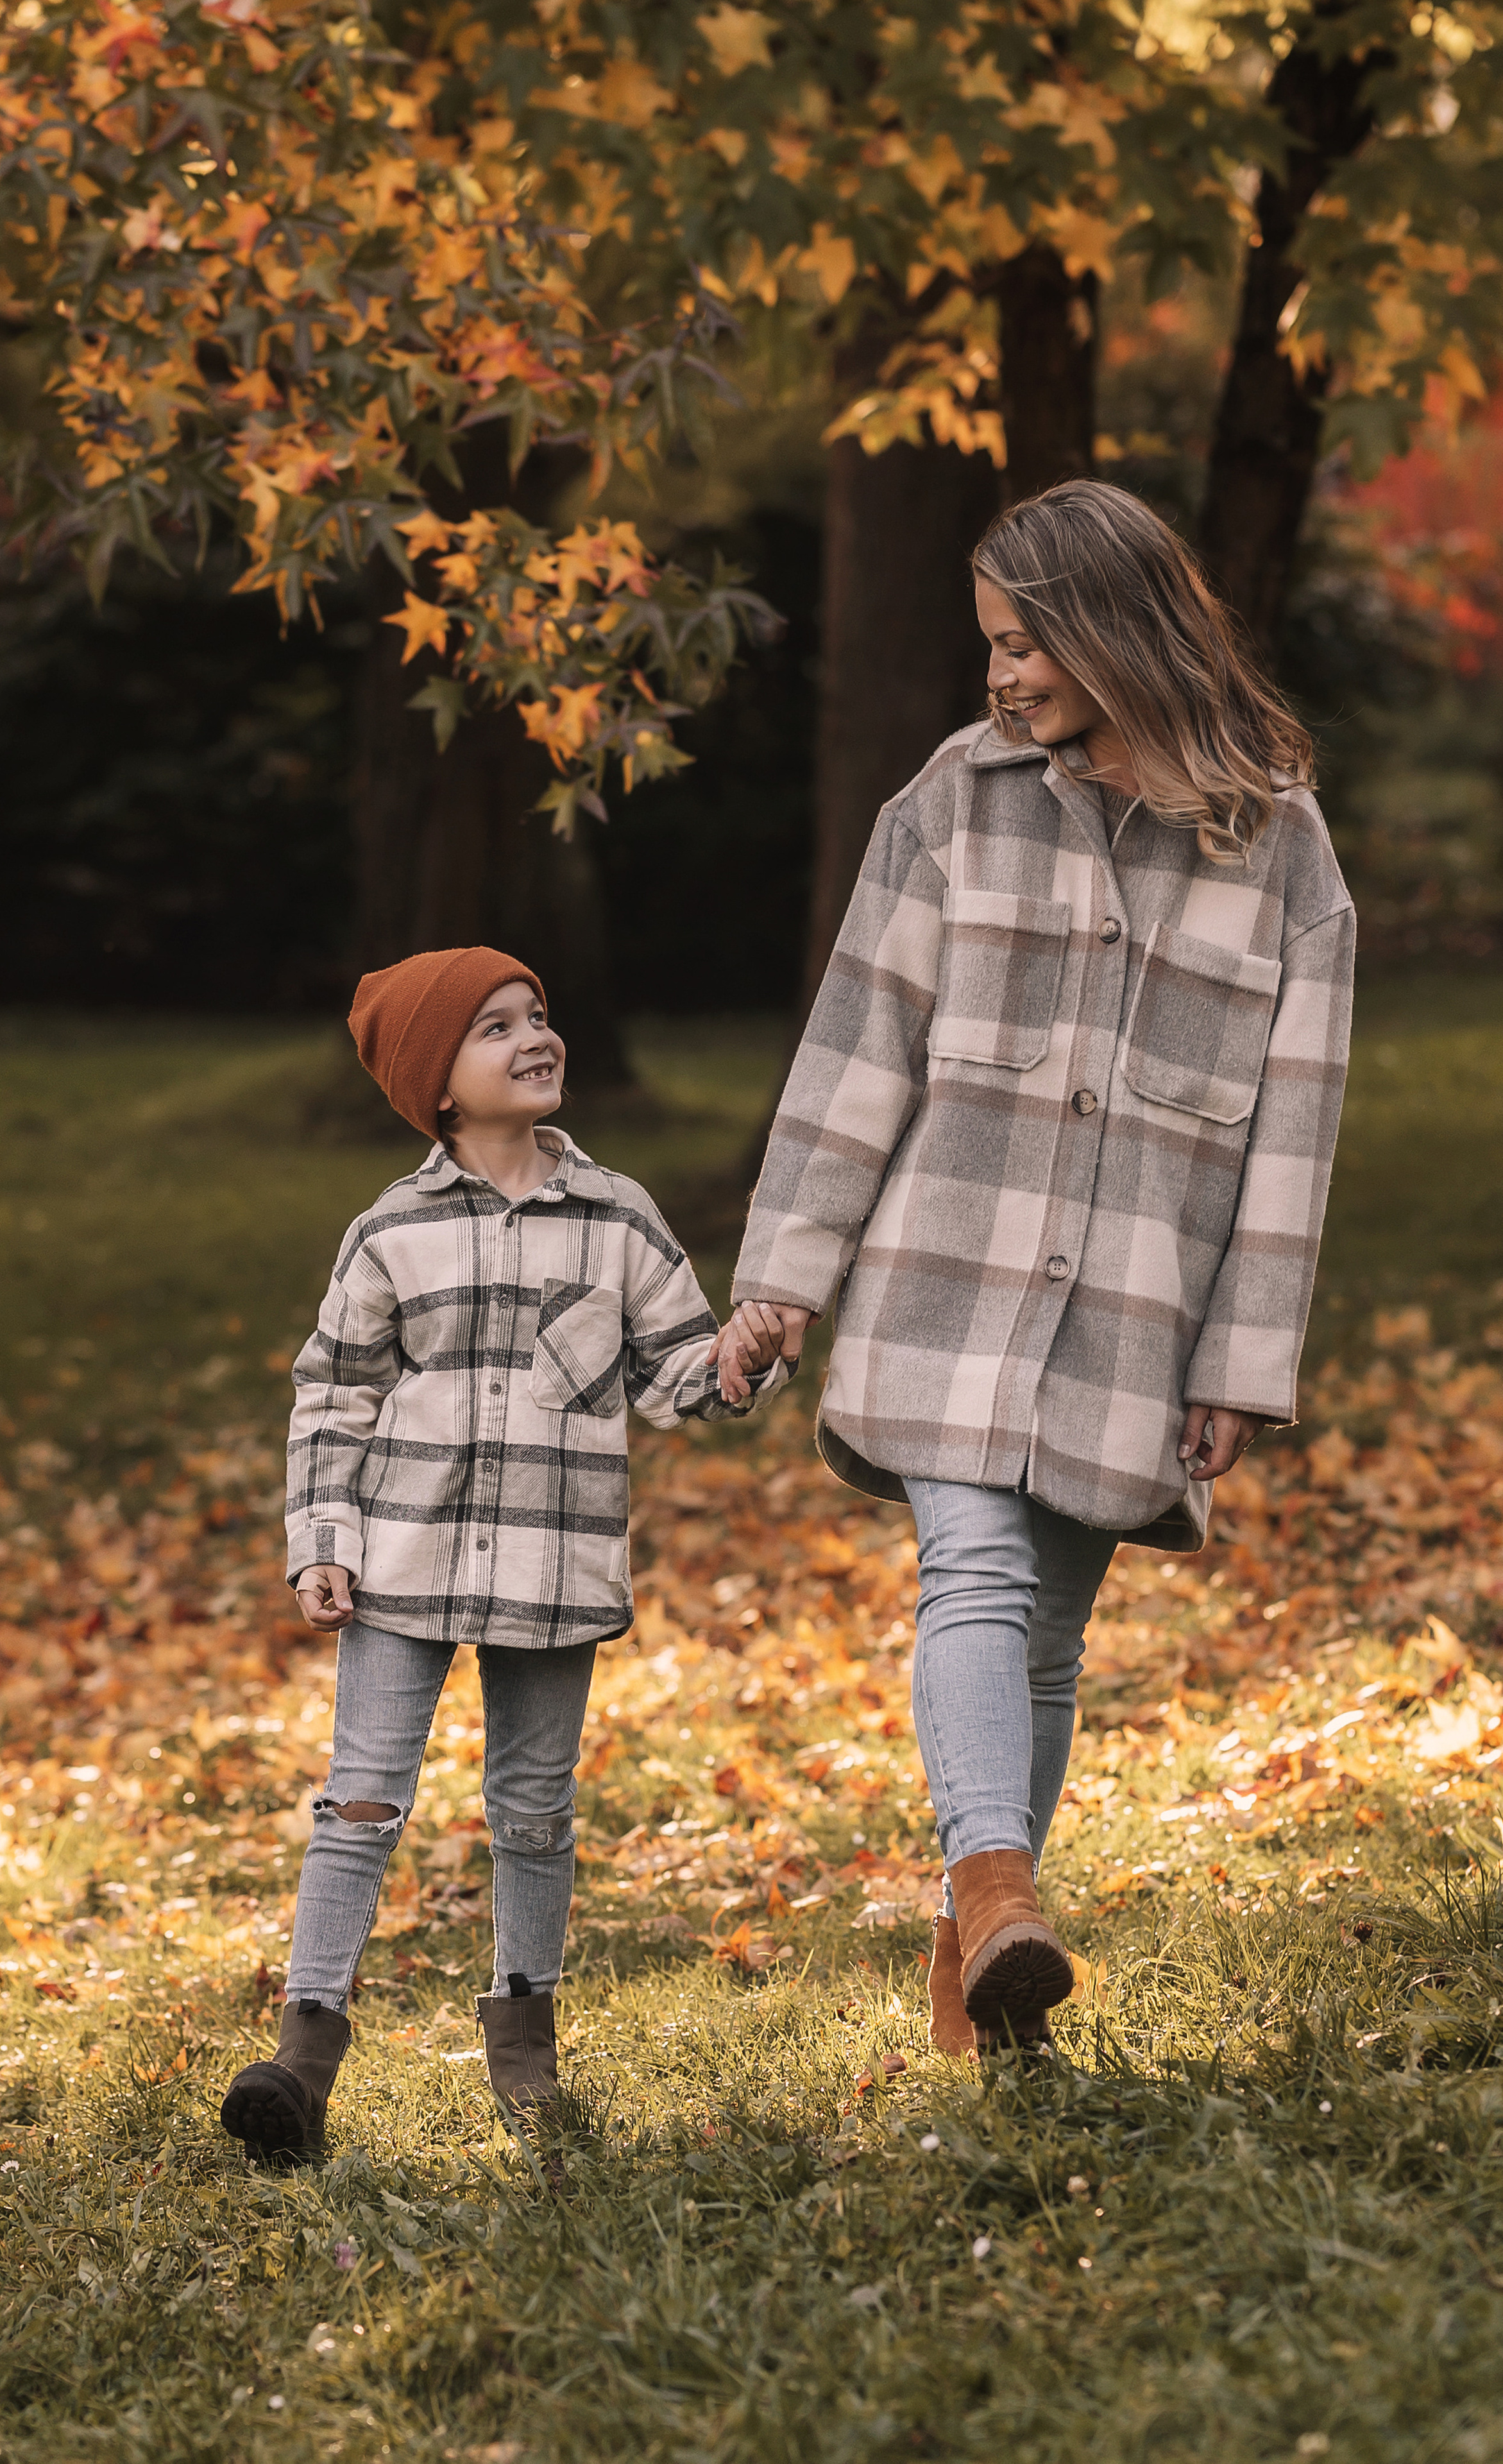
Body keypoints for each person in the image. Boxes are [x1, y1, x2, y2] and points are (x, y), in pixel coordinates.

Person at [713, 479, 1354, 2058]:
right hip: (944, 1278)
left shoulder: (1276, 846)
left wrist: (1239, 1359)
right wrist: (784, 1274)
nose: (997, 675)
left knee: (1045, 1641)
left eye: (1020, 643)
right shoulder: (954, 800)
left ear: (1111, 630)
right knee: (975, 1579)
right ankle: (998, 1884)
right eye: (989, 645)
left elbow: (1295, 1130)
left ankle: (979, 1977)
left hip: (1135, 1312)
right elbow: (858, 1044)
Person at [221, 946, 791, 2160]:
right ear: (438, 1083)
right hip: (403, 1561)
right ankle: (301, 2062)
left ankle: (526, 2062)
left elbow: (675, 1378)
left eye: (537, 1015)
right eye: (496, 1028)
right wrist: (322, 1540)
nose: (535, 1037)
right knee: (360, 1800)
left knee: (534, 1810)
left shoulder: (618, 1217)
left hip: (551, 1567)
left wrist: (741, 1355)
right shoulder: (391, 1232)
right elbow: (333, 1395)